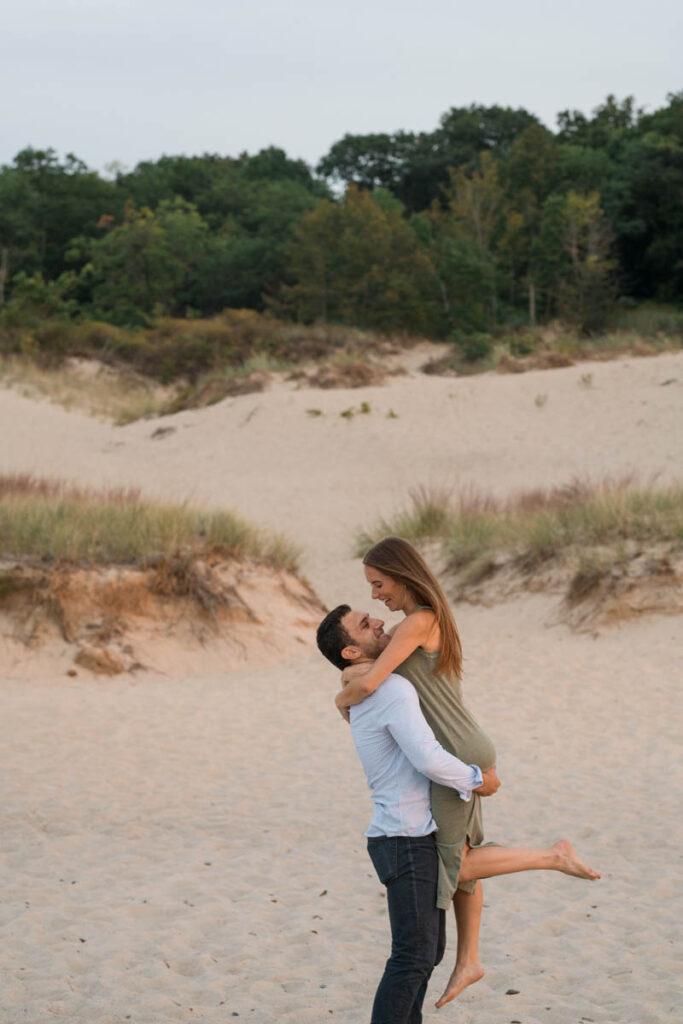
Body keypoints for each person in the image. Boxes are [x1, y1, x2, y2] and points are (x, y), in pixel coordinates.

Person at [335, 537, 600, 1009]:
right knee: (464, 852)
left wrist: (341, 698)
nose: (376, 596)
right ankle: (469, 959)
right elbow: (367, 669)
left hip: (453, 754)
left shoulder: (415, 622)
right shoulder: (421, 620)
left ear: (401, 574)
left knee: (453, 862)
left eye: (378, 584)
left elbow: (372, 680)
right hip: (465, 742)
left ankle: (553, 856)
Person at [316, 604, 501, 1024]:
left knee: (425, 953)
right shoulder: (389, 691)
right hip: (404, 838)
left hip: (407, 836)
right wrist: (478, 779)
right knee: (413, 956)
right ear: (350, 653)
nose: (379, 621)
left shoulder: (374, 686)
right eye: (365, 624)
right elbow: (428, 759)